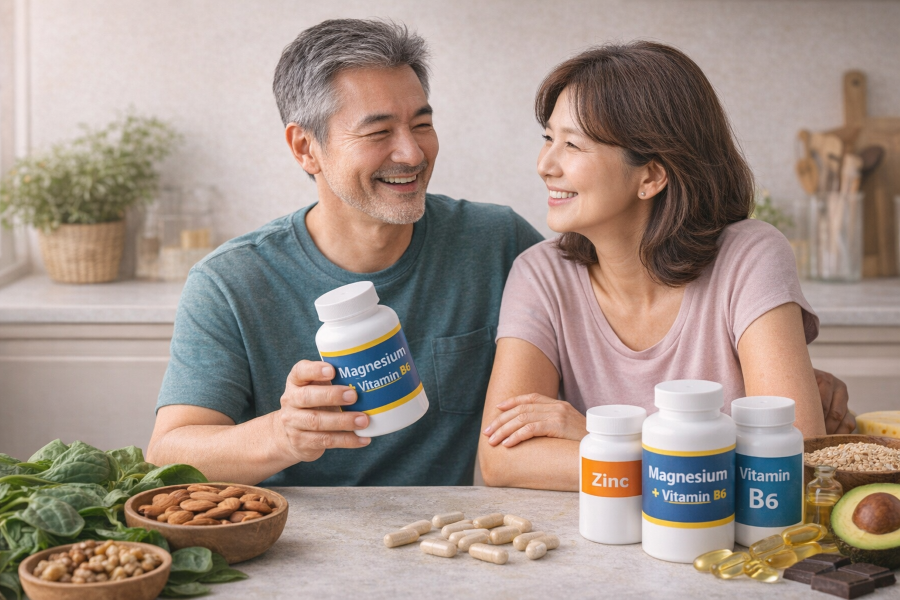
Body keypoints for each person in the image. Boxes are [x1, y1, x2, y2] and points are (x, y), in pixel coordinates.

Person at [147, 21, 850, 488]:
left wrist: (768, 365)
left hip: (479, 541)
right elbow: (168, 452)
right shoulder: (232, 282)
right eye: (379, 130)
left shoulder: (499, 244)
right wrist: (283, 434)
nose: (412, 151)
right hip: (307, 549)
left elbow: (634, 307)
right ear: (306, 148)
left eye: (422, 122)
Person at [478, 42, 856, 492]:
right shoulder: (540, 274)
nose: (545, 165)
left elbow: (786, 461)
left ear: (651, 176)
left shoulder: (750, 257)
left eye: (573, 145)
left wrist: (607, 444)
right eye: (548, 138)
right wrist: (690, 463)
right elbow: (502, 459)